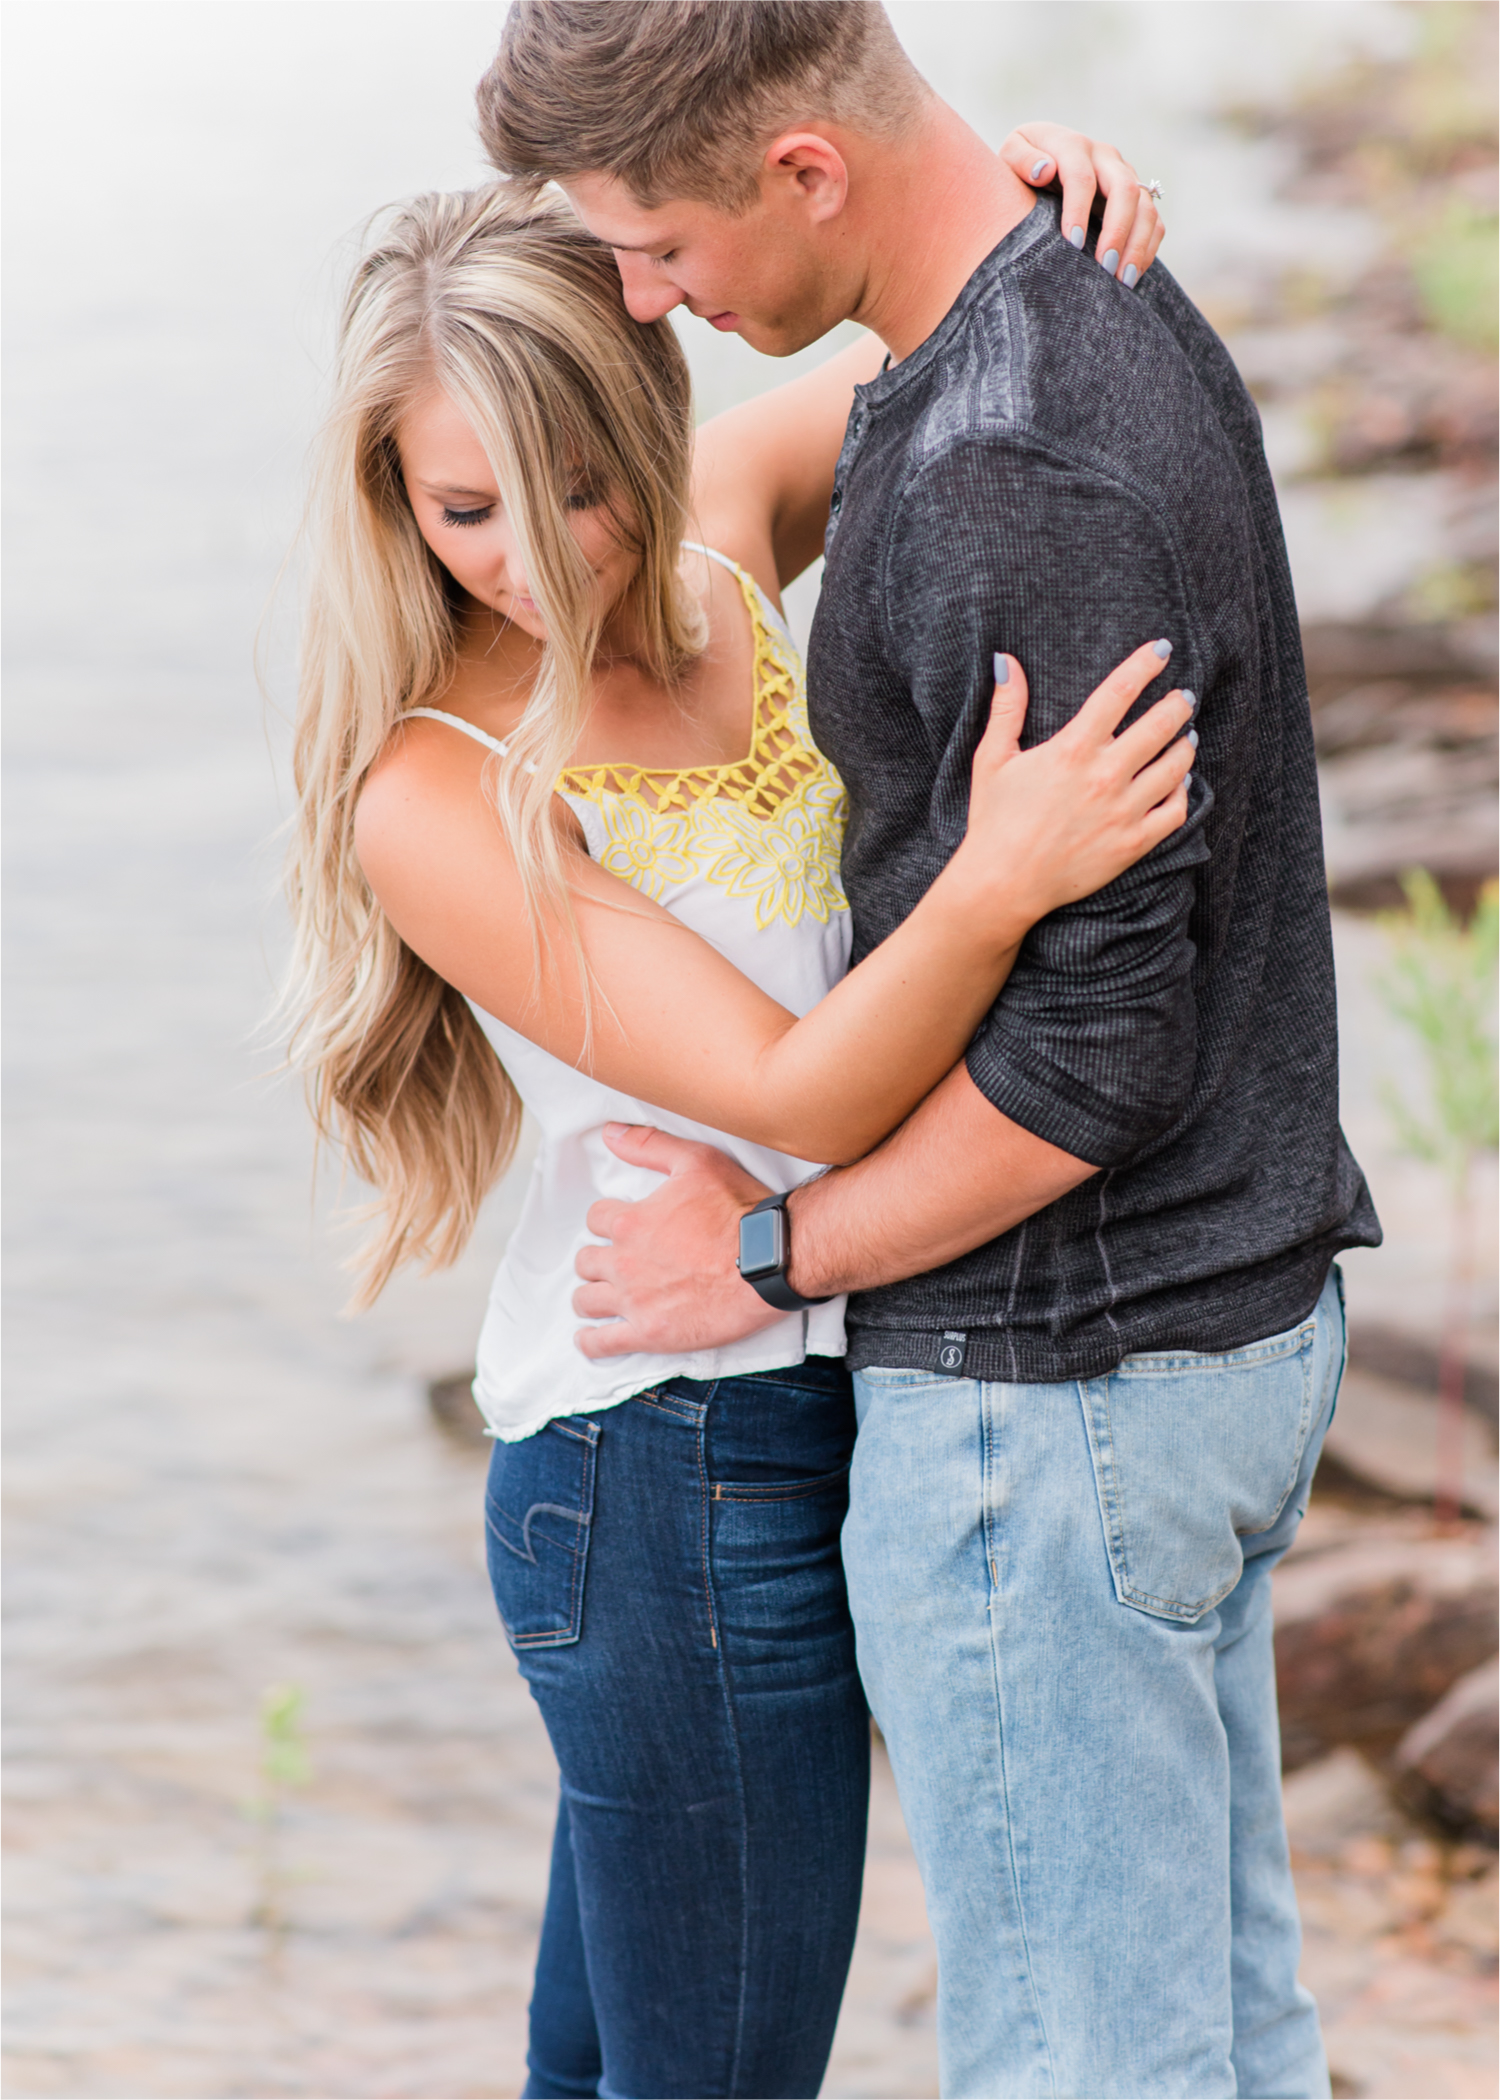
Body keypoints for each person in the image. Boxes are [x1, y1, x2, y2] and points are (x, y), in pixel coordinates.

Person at [475, 5, 1383, 2097]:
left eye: (659, 245)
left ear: (803, 169)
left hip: (1063, 1389)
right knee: (1218, 2030)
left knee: (1084, 2059)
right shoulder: (1065, 307)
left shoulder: (998, 463)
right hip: (1212, 1333)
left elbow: (1092, 1061)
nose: (650, 302)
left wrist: (772, 1262)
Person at [283, 170, 1189, 2099]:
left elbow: (919, 328)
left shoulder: (719, 530)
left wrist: (1034, 186)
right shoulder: (438, 792)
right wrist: (1001, 879)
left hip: (780, 1397)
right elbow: (800, 1089)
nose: (532, 556)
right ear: (395, 498)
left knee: (618, 2071)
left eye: (575, 487)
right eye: (463, 509)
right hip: (668, 1460)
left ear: (649, 407)